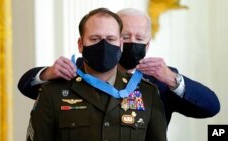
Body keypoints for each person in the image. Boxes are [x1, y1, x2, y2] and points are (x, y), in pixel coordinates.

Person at [19, 8, 220, 124]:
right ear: (116, 39)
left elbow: (211, 107)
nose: (132, 42)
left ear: (148, 44)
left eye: (139, 37)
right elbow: (26, 85)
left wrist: (174, 81)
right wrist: (47, 74)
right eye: (125, 36)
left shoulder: (160, 79)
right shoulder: (77, 69)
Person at [26, 8, 167, 141]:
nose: (104, 45)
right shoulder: (52, 92)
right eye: (95, 39)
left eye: (111, 39)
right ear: (80, 44)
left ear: (121, 44)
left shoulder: (148, 93)